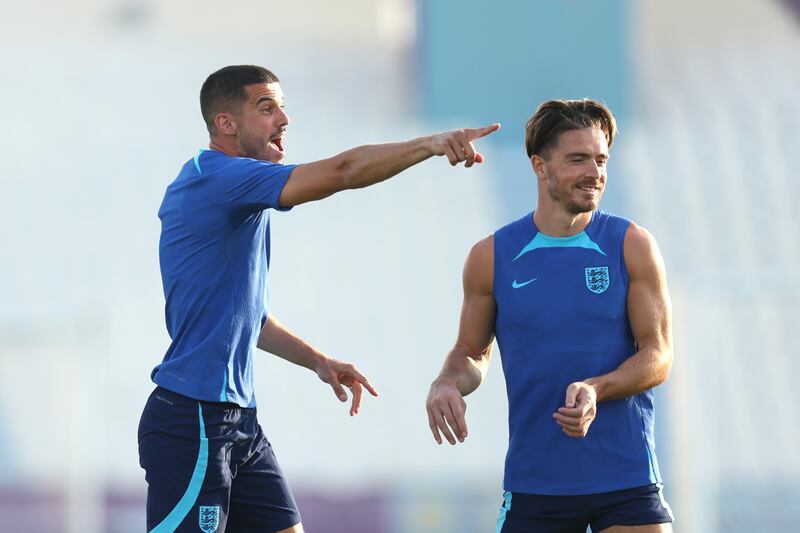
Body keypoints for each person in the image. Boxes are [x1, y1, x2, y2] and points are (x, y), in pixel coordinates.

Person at [138, 64, 499, 533]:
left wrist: (317, 360)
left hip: (237, 421)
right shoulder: (221, 178)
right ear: (226, 123)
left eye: (283, 107)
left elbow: (249, 320)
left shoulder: (228, 189)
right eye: (266, 108)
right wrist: (428, 145)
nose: (284, 119)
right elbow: (343, 172)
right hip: (194, 421)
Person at [425, 99, 675, 532]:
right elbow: (471, 352)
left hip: (626, 481)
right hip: (535, 486)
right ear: (540, 166)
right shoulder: (492, 256)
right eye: (578, 159)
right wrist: (447, 382)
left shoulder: (632, 244)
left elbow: (659, 355)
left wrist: (598, 388)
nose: (594, 173)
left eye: (601, 160)